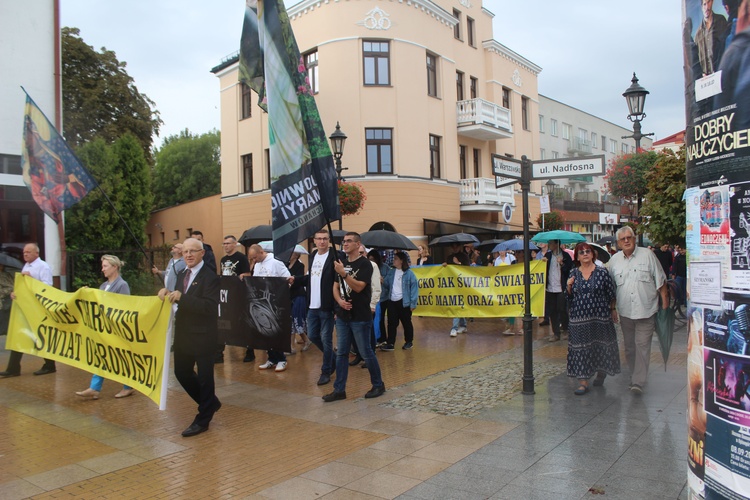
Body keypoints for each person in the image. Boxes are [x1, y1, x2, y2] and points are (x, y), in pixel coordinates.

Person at [158, 238, 221, 436]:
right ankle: (210, 402)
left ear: (202, 253)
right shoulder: (181, 273)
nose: (188, 255)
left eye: (193, 251)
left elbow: (209, 307)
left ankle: (203, 418)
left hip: (203, 335)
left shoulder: (210, 277)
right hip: (184, 333)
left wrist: (182, 297)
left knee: (204, 378)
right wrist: (167, 293)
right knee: (181, 372)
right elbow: (178, 299)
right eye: (185, 251)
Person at [323, 232, 385, 402]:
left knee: (366, 352)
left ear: (358, 245)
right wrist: (339, 302)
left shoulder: (366, 264)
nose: (345, 244)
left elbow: (359, 287)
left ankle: (378, 384)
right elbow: (335, 287)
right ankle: (339, 389)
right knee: (342, 352)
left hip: (360, 316)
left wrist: (344, 274)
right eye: (344, 241)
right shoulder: (341, 264)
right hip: (343, 315)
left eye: (349, 241)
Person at [607, 226, 669, 395]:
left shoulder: (648, 255)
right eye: (622, 239)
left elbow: (661, 281)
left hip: (646, 310)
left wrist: (664, 306)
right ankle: (636, 374)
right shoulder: (614, 261)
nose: (626, 241)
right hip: (625, 311)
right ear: (618, 243)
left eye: (629, 237)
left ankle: (638, 381)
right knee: (629, 347)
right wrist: (612, 308)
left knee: (642, 346)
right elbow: (611, 288)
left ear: (634, 239)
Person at [565, 243, 621, 396]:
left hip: (599, 317)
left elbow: (611, 293)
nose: (585, 254)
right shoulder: (573, 273)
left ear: (592, 254)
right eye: (581, 252)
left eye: (587, 251)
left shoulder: (602, 272)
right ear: (577, 256)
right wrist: (569, 287)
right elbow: (568, 297)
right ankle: (583, 382)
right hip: (579, 318)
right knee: (581, 349)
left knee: (599, 346)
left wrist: (613, 309)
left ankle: (601, 372)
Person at [76, 255, 135, 399]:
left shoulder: (122, 285)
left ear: (115, 267)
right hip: (104, 329)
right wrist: (87, 294)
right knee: (102, 356)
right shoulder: (103, 286)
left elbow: (124, 307)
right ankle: (95, 388)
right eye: (102, 266)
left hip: (116, 329)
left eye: (105, 266)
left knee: (119, 358)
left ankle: (128, 386)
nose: (102, 269)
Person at [0, 243, 56, 378]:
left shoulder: (43, 266)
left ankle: (49, 365)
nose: (25, 254)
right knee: (18, 334)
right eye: (24, 252)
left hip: (36, 308)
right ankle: (13, 368)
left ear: (36, 253)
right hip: (25, 306)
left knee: (38, 336)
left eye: (28, 252)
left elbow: (48, 286)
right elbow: (24, 286)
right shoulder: (26, 266)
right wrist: (15, 292)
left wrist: (31, 280)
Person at [293, 229, 336, 385]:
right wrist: (295, 279)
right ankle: (334, 359)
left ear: (329, 240)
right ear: (315, 240)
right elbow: (310, 278)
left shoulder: (335, 256)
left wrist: (336, 305)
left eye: (325, 238)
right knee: (312, 335)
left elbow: (338, 282)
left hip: (327, 305)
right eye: (319, 239)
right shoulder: (312, 256)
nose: (322, 241)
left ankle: (326, 371)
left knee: (326, 338)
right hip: (312, 305)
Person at [248, 244, 291, 372]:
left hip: (275, 302)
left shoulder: (275, 262)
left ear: (261, 252)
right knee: (265, 332)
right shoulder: (257, 265)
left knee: (275, 331)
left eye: (255, 257)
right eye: (252, 259)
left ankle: (281, 359)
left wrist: (279, 294)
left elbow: (287, 278)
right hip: (262, 303)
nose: (254, 260)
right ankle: (272, 358)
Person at [217, 235, 253, 363]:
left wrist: (243, 276)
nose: (226, 246)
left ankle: (250, 351)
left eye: (228, 243)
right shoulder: (222, 260)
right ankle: (219, 352)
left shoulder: (241, 258)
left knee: (242, 323)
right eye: (224, 243)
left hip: (239, 295)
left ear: (234, 244)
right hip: (226, 295)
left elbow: (248, 274)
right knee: (224, 323)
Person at [382, 251, 419, 350]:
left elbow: (414, 289)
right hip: (392, 301)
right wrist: (383, 281)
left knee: (406, 322)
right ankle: (390, 343)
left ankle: (409, 341)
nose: (393, 260)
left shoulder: (409, 274)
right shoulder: (391, 272)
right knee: (391, 323)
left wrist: (413, 303)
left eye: (396, 259)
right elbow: (387, 285)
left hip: (404, 302)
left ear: (401, 261)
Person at [544, 239, 573, 342]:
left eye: (551, 243)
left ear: (557, 244)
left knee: (562, 309)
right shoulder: (547, 256)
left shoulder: (566, 256)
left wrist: (562, 264)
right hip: (550, 287)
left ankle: (565, 329)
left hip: (561, 287)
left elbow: (569, 270)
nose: (549, 245)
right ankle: (556, 333)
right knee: (552, 310)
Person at [695, 0, 729, 76]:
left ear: (712, 2)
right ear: (701, 7)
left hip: (722, 73)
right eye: (704, 4)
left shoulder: (721, 21)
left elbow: (727, 45)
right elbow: (696, 61)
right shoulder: (698, 35)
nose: (707, 7)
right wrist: (702, 74)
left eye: (709, 2)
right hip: (707, 79)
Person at [288, 251, 311, 351]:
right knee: (291, 320)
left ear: (296, 255)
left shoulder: (300, 265)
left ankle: (292, 346)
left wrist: (292, 281)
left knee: (296, 319)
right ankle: (305, 341)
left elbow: (300, 280)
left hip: (298, 295)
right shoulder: (285, 265)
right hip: (289, 294)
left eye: (291, 253)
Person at [446, 242, 470, 337]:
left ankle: (454, 328)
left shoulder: (464, 256)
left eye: (456, 246)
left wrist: (458, 263)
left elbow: (468, 269)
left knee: (457, 304)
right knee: (458, 304)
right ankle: (463, 325)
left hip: (462, 284)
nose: (455, 248)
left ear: (460, 247)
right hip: (452, 284)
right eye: (453, 246)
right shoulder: (449, 257)